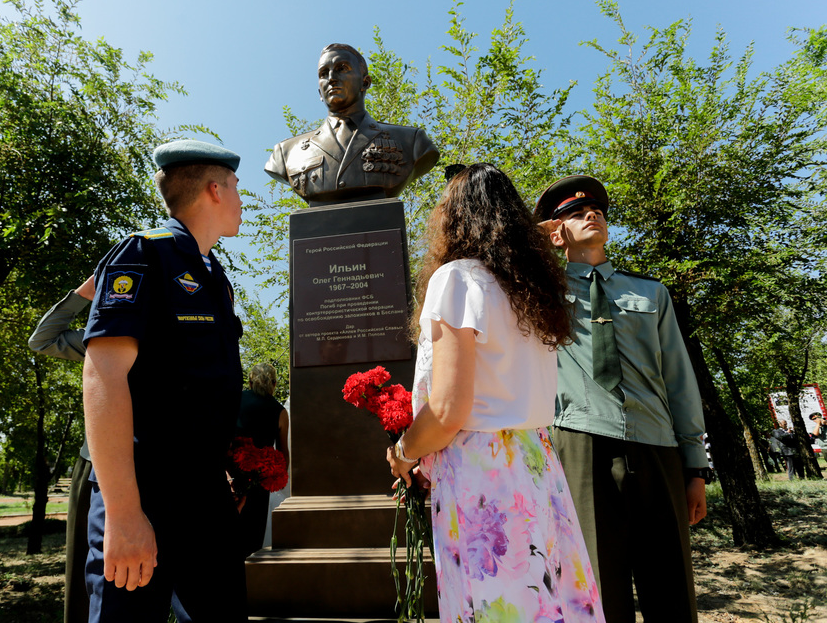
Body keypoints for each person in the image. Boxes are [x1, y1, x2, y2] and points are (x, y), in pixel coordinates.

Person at [387, 163, 604, 622]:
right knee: (550, 603)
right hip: (537, 464)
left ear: (456, 216)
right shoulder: (530, 290)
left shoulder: (457, 278)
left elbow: (448, 410)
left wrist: (405, 452)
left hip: (482, 474)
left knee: (498, 607)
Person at [82, 139, 246, 622]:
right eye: (236, 188)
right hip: (144, 492)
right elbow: (103, 375)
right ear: (215, 190)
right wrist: (125, 513)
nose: (241, 200)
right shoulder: (143, 255)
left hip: (205, 498)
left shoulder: (214, 277)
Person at [535, 175, 710, 623]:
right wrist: (535, 243)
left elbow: (680, 381)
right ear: (556, 232)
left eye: (596, 211)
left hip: (657, 449)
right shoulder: (538, 296)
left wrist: (694, 469)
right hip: (580, 446)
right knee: (595, 590)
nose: (591, 215)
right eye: (575, 214)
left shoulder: (651, 293)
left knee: (671, 589)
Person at [265, 43, 438, 206]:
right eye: (323, 73)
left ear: (365, 82)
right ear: (320, 92)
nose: (331, 78)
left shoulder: (412, 141)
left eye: (342, 69)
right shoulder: (286, 152)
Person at [27, 275, 95, 623]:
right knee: (85, 576)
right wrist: (84, 293)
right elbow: (42, 339)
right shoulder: (102, 336)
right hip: (95, 467)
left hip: (165, 464)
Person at [235, 363, 290, 557]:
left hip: (232, 476)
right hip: (261, 480)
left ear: (250, 381)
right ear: (274, 384)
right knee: (253, 539)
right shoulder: (280, 412)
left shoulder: (235, 401)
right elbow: (284, 456)